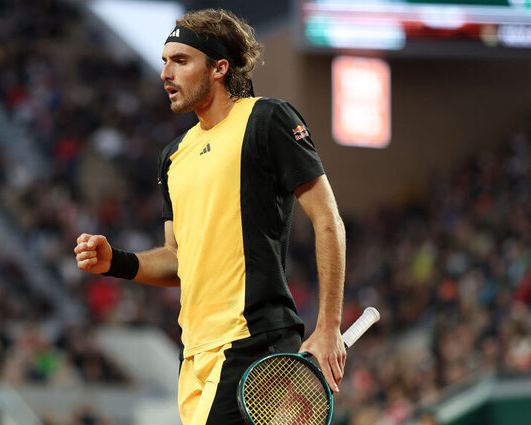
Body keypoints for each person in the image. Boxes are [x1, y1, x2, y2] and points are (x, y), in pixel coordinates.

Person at [75, 9, 346, 425]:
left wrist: (328, 326)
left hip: (252, 341)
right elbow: (178, 259)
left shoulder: (267, 120)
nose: (166, 72)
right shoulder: (172, 157)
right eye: (164, 61)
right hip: (195, 354)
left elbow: (327, 220)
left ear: (220, 67)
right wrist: (118, 261)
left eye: (180, 61)